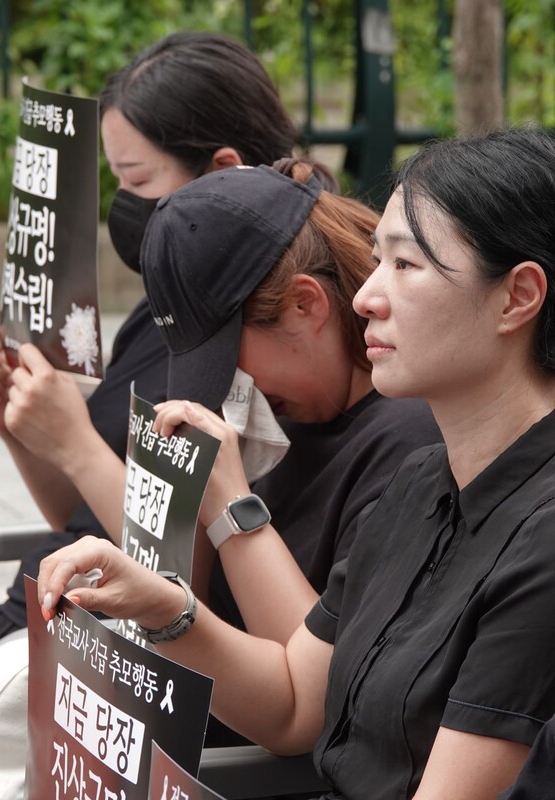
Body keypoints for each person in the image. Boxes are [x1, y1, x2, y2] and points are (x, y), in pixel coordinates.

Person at [39, 127, 555, 800]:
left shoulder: (540, 541)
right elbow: (292, 707)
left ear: (517, 297)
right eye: (376, 262)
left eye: (406, 265)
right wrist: (165, 608)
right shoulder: (422, 483)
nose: (366, 295)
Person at [0, 30, 297, 664]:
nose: (122, 204)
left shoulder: (253, 337)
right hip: (40, 613)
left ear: (222, 170)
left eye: (134, 178)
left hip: (98, 650)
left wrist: (75, 442)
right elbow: (81, 516)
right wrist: (20, 426)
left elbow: (174, 568)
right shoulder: (163, 303)